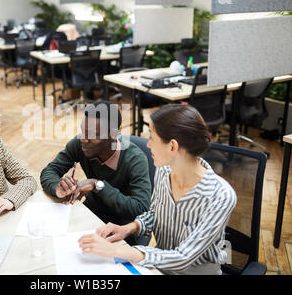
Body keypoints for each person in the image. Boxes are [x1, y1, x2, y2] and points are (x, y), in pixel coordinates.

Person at [78, 104, 237, 275]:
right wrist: (128, 228)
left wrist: (116, 251)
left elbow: (183, 257)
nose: (148, 145)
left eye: (152, 138)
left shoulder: (220, 196)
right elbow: (156, 213)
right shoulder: (164, 171)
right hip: (157, 268)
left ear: (172, 147)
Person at [40, 101, 152, 244]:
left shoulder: (135, 159)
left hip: (120, 226)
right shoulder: (80, 143)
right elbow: (50, 171)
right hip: (90, 215)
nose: (84, 139)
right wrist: (58, 187)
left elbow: (140, 209)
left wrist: (98, 185)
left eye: (93, 134)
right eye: (83, 130)